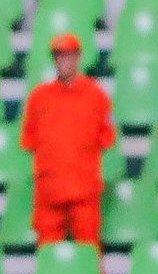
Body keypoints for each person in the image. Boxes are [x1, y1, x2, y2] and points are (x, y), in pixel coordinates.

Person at [23, 30, 114, 245]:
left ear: (78, 57)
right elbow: (29, 138)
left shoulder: (97, 96)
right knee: (48, 250)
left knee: (89, 247)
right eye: (59, 55)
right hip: (50, 188)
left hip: (84, 188)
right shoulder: (39, 97)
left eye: (68, 55)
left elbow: (108, 136)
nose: (63, 60)